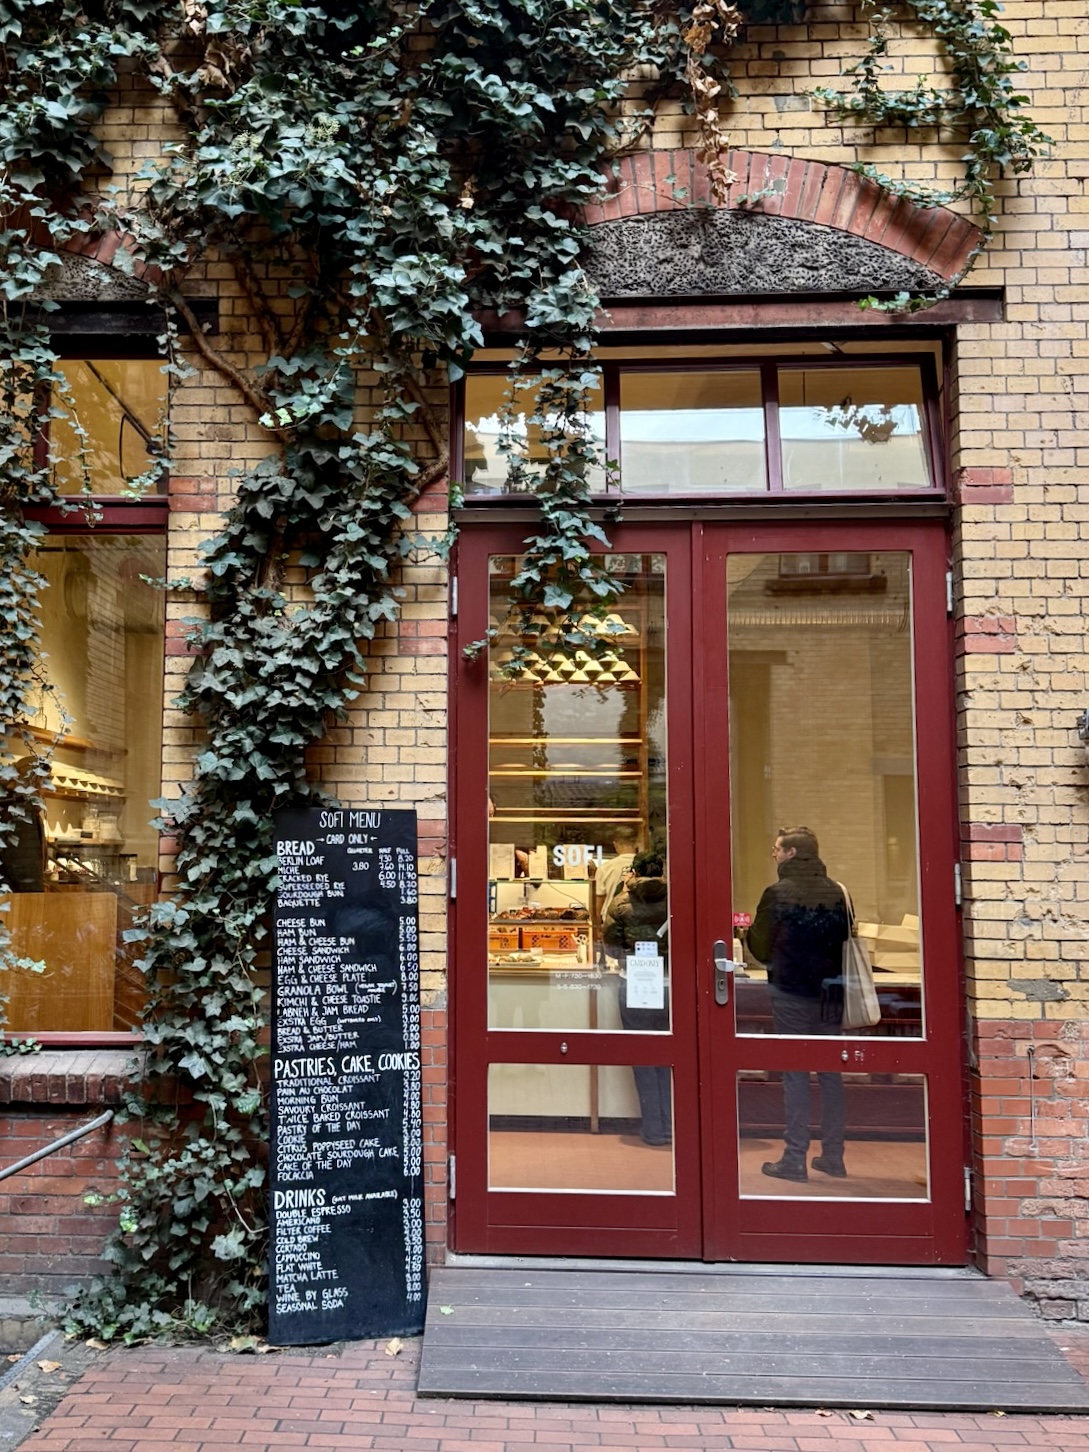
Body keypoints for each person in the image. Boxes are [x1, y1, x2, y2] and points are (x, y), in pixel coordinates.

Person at [746, 826, 850, 1182]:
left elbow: (760, 946)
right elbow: (845, 938)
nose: (774, 854)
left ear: (791, 853)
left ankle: (794, 1158)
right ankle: (833, 1155)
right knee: (831, 1074)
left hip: (791, 991)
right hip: (831, 992)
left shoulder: (777, 893)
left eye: (777, 849)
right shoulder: (836, 891)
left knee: (795, 1074)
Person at [604, 850, 671, 1147]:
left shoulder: (621, 902)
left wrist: (629, 958)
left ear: (633, 871)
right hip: (671, 985)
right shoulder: (677, 899)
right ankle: (671, 1124)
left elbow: (610, 946)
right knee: (671, 1056)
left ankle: (653, 1128)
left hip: (634, 984)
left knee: (643, 1056)